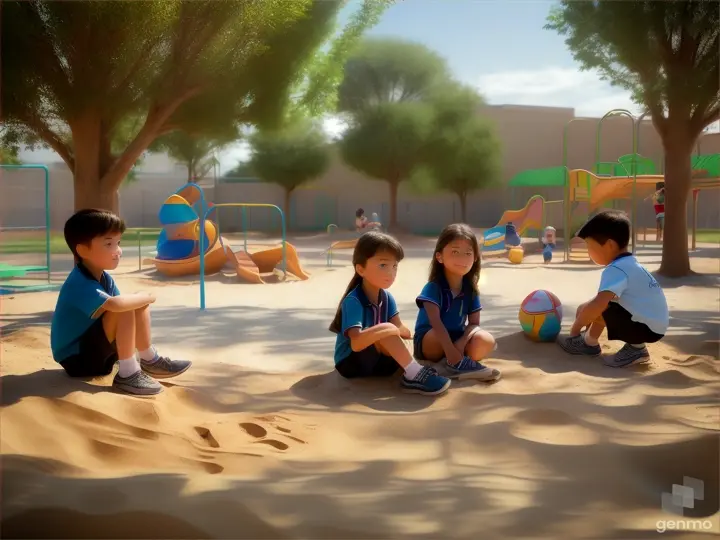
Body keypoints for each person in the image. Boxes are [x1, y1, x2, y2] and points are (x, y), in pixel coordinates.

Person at [50, 209, 192, 395]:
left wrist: (141, 300)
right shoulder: (79, 282)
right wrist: (147, 295)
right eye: (109, 244)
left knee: (133, 304)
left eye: (118, 243)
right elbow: (117, 306)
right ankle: (127, 374)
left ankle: (149, 359)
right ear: (83, 250)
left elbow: (122, 304)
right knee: (125, 306)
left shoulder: (104, 278)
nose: (117, 251)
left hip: (96, 351)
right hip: (76, 359)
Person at [329, 231, 451, 396]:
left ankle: (413, 370)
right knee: (386, 329)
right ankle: (414, 375)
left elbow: (402, 329)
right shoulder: (354, 300)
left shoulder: (386, 298)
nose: (391, 273)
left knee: (392, 333)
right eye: (383, 265)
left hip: (377, 362)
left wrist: (399, 333)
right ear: (360, 269)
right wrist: (388, 330)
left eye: (395, 266)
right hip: (351, 363)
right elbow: (356, 343)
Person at [558, 210, 668, 367]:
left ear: (609, 245)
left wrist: (575, 328)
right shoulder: (629, 263)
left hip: (646, 328)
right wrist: (585, 309)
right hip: (654, 324)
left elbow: (599, 305)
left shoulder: (616, 269)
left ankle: (636, 348)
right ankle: (589, 342)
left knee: (600, 307)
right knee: (596, 306)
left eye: (590, 246)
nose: (589, 252)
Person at [413, 223, 501, 381]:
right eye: (455, 252)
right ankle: (450, 364)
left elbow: (474, 324)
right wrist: (452, 352)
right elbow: (436, 324)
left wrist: (460, 344)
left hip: (456, 339)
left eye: (468, 253)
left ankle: (455, 364)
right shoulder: (433, 287)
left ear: (475, 258)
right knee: (436, 335)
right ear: (439, 256)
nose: (462, 258)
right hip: (430, 343)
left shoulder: (470, 289)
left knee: (486, 340)